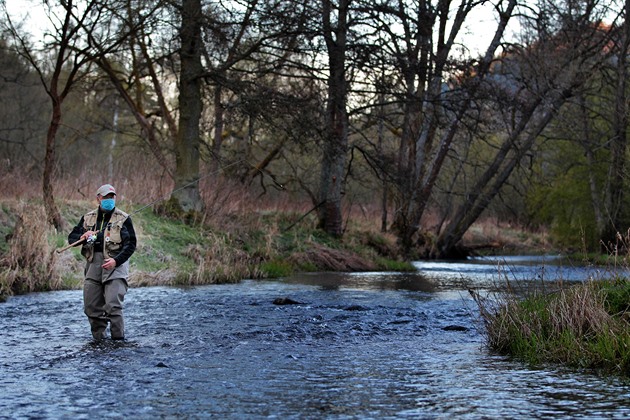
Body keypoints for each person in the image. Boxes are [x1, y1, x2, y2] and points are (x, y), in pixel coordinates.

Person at [68, 184, 137, 340]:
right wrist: (83, 237)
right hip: (93, 264)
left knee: (113, 306)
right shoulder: (87, 218)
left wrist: (116, 261)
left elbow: (131, 244)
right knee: (91, 307)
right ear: (98, 198)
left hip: (116, 265)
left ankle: (118, 343)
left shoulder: (123, 218)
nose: (109, 200)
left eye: (112, 197)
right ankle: (99, 342)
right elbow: (72, 239)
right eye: (106, 197)